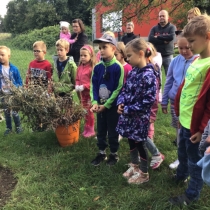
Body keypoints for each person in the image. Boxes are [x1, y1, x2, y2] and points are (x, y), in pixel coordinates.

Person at [169, 15, 210, 206]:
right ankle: (180, 174)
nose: (189, 46)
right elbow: (185, 88)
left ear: (207, 36)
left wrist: (201, 129)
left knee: (195, 160)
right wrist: (178, 113)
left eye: (192, 41)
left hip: (196, 127)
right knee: (182, 152)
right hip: (184, 121)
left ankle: (192, 194)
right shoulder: (196, 61)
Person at [116, 38, 157, 184]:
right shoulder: (133, 72)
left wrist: (127, 109)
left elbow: (147, 102)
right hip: (129, 117)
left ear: (140, 54)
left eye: (129, 56)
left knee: (140, 143)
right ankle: (134, 165)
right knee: (131, 140)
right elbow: (125, 89)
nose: (127, 59)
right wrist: (121, 102)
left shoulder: (149, 76)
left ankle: (144, 173)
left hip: (139, 119)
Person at [161, 34, 197, 170]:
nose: (183, 51)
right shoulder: (175, 61)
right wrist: (164, 101)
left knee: (189, 133)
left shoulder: (198, 61)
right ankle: (180, 158)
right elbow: (169, 80)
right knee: (179, 132)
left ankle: (191, 160)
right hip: (175, 103)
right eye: (180, 47)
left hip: (190, 105)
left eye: (186, 48)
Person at [90, 34, 124, 166]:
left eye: (104, 47)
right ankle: (102, 152)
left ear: (113, 48)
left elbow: (118, 88)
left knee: (113, 130)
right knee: (101, 129)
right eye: (99, 48)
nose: (101, 50)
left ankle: (114, 154)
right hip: (100, 106)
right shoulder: (97, 67)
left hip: (112, 107)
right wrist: (95, 103)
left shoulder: (117, 67)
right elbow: (94, 86)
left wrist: (107, 105)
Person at [0, 46, 23, 135]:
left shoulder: (14, 69)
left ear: (9, 56)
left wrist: (16, 88)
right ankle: (8, 128)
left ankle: (18, 127)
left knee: (15, 112)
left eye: (2, 55)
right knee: (7, 112)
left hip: (13, 94)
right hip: (4, 94)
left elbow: (19, 81)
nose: (0, 57)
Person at [75, 45, 96, 138]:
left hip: (89, 94)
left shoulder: (92, 68)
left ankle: (91, 129)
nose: (82, 57)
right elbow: (77, 78)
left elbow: (93, 82)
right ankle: (86, 128)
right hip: (82, 94)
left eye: (85, 55)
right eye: (81, 55)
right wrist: (77, 85)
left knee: (89, 111)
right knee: (84, 111)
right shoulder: (79, 67)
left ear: (91, 56)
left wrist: (84, 86)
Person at [148, 10, 176, 76]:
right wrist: (163, 40)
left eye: (163, 16)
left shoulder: (172, 27)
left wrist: (157, 37)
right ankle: (158, 87)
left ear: (168, 17)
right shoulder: (154, 28)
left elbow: (171, 37)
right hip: (156, 55)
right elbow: (150, 39)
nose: (161, 17)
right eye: (160, 16)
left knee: (170, 76)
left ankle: (169, 87)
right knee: (157, 76)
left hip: (168, 55)